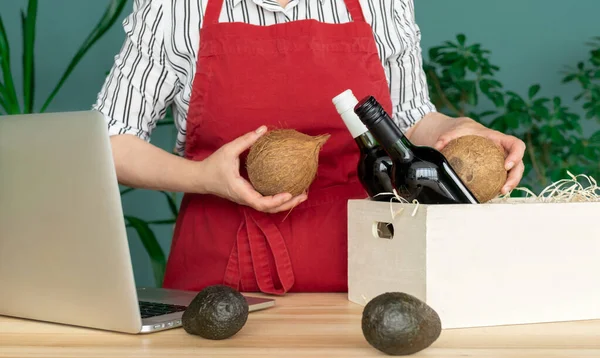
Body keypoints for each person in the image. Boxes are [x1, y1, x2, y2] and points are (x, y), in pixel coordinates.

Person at [93, 0, 526, 295]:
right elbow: (108, 141)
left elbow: (410, 118)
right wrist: (202, 177)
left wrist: (462, 129)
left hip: (369, 268)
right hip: (222, 279)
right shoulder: (175, 8)